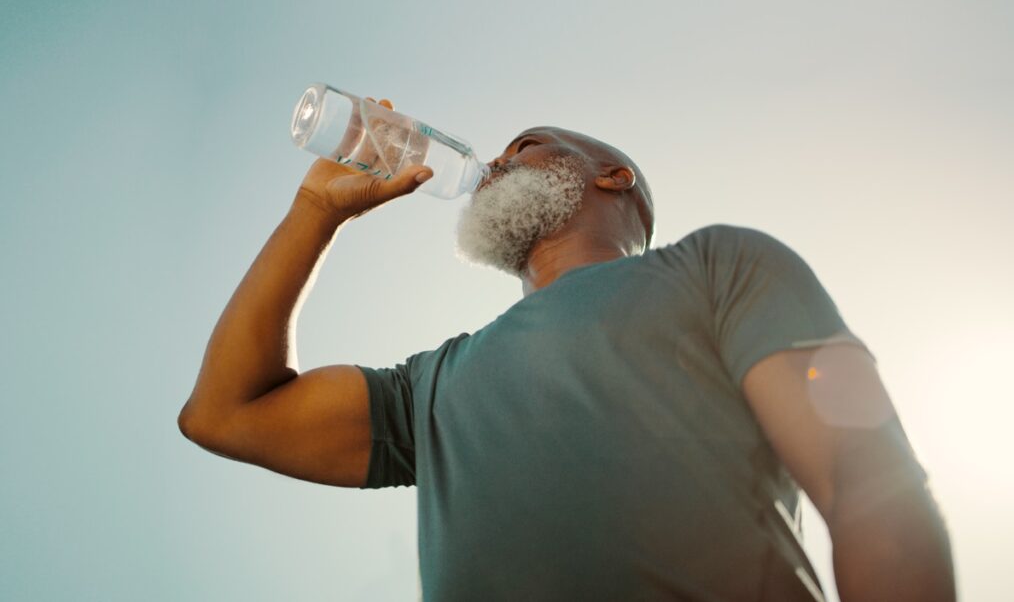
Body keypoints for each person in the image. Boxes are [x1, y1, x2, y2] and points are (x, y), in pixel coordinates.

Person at [178, 99, 956, 601]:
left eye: (530, 142)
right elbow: (227, 412)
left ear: (614, 179)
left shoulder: (718, 267)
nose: (500, 157)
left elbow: (867, 485)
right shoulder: (430, 386)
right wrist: (316, 209)